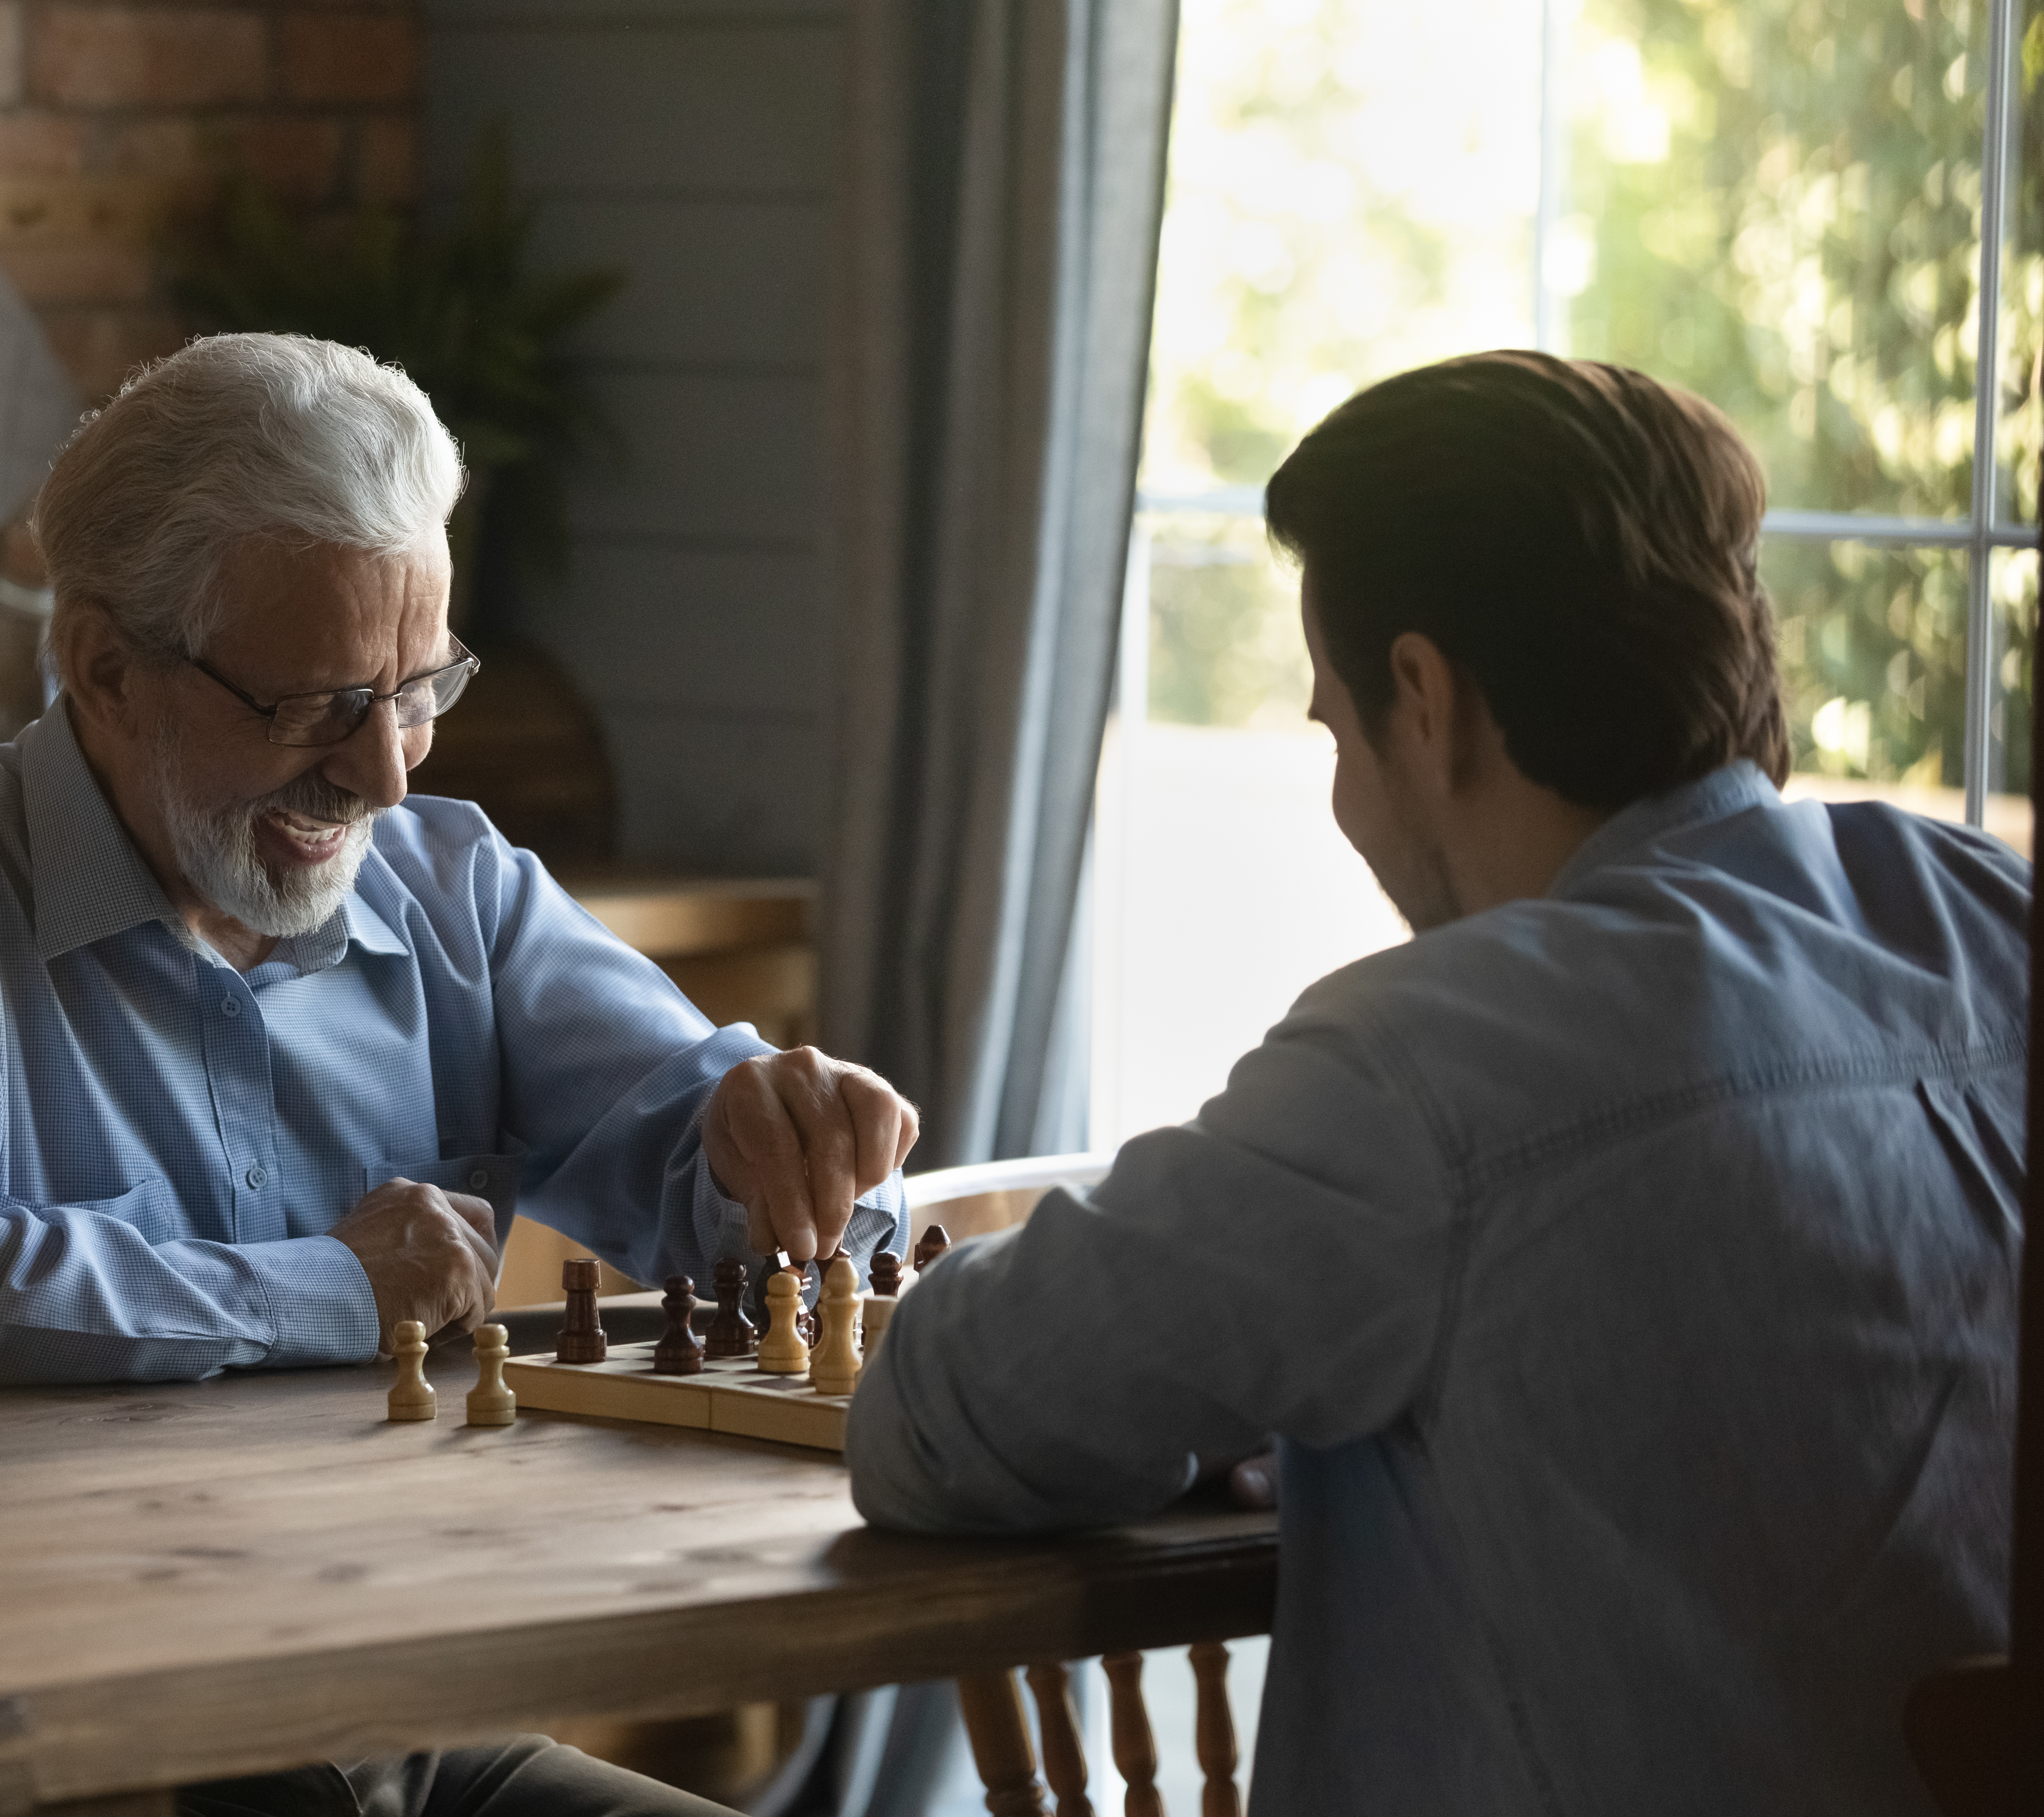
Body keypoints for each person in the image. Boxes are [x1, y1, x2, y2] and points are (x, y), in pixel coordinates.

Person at [0, 332, 920, 1817]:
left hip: (410, 1737)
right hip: (54, 1763)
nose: (385, 777)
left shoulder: (453, 886)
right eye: (313, 707)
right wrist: (331, 1286)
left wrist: (784, 1152)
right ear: (104, 666)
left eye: (416, 690)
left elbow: (706, 1164)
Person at [847, 351, 2022, 1816]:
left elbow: (936, 1417)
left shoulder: (1425, 1067)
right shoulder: (1987, 913)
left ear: (1425, 696)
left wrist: (1238, 1392)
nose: (1344, 787)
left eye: (1335, 726)